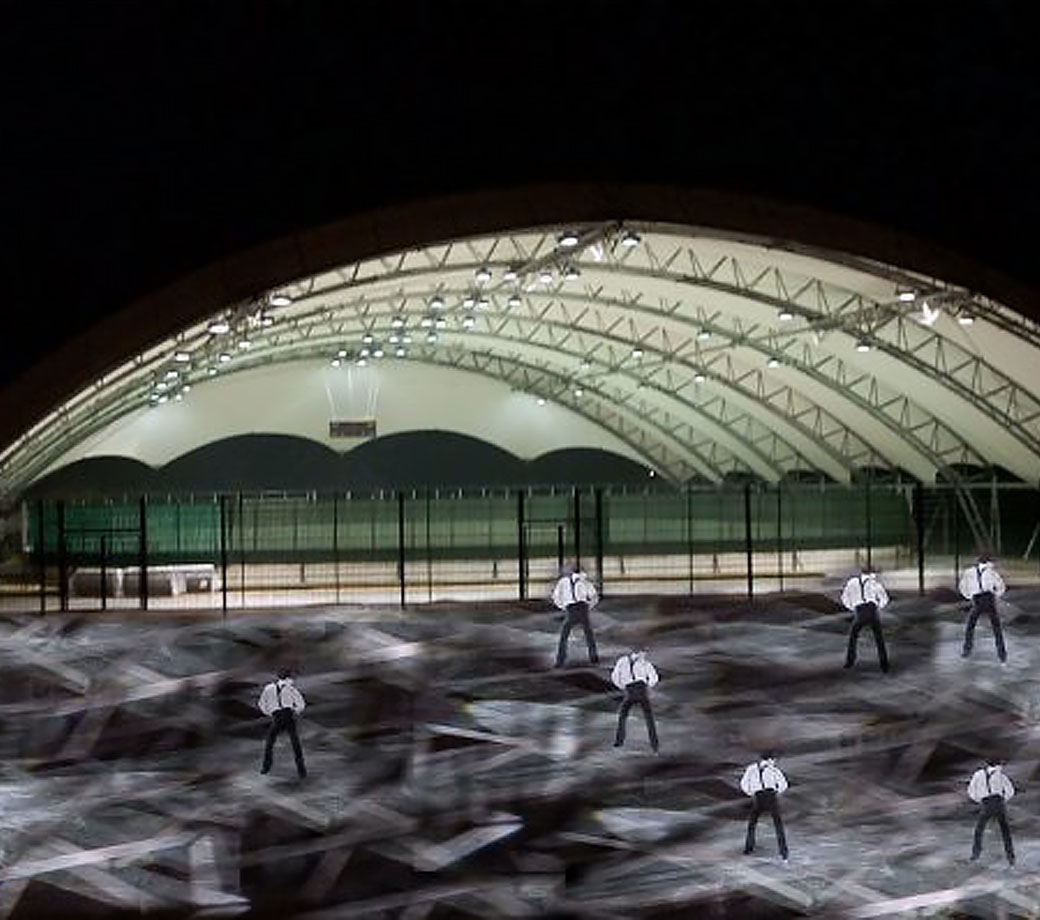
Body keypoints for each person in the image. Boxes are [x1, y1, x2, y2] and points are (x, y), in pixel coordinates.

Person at [258, 667, 308, 778]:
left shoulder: (269, 688)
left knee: (270, 743)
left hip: (277, 716)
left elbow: (261, 704)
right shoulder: (291, 689)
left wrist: (270, 713)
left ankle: (266, 767)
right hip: (288, 716)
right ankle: (301, 770)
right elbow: (301, 704)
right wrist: (295, 711)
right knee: (296, 744)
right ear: (289, 677)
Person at [740, 752, 790, 861]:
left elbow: (744, 783)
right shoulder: (773, 770)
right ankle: (784, 852)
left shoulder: (751, 769)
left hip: (759, 797)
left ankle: (748, 848)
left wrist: (751, 792)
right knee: (778, 825)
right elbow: (784, 784)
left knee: (752, 823)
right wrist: (777, 791)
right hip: (770, 796)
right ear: (770, 760)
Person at [841, 566, 891, 672]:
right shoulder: (875, 584)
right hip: (872, 610)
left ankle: (850, 661)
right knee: (879, 639)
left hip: (859, 611)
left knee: (853, 637)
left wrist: (852, 607)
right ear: (871, 574)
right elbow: (885, 599)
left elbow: (844, 598)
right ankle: (884, 664)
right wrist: (878, 606)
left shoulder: (852, 582)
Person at [960, 554, 1008, 662]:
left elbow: (962, 586)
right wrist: (996, 594)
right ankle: (1002, 654)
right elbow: (1001, 586)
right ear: (988, 562)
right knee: (996, 628)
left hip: (978, 599)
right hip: (988, 598)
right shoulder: (991, 572)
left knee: (970, 626)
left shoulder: (969, 572)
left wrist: (969, 596)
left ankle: (967, 650)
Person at [611, 647, 660, 752]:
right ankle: (654, 745)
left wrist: (622, 686)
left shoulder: (622, 660)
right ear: (640, 653)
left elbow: (615, 676)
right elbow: (654, 678)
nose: (645, 655)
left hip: (629, 690)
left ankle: (619, 742)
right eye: (644, 653)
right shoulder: (645, 663)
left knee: (623, 716)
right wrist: (647, 685)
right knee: (649, 718)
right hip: (641, 689)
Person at [968, 758, 1015, 865]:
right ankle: (1010, 856)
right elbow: (1010, 791)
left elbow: (971, 790)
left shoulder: (978, 775)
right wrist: (1003, 799)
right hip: (998, 803)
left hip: (986, 803)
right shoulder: (1001, 776)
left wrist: (979, 800)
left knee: (979, 830)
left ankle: (975, 854)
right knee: (1005, 831)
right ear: (998, 765)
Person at [552, 564, 600, 667]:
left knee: (564, 635)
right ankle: (594, 657)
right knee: (589, 635)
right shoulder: (585, 582)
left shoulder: (563, 582)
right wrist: (588, 606)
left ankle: (560, 660)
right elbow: (594, 597)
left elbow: (556, 597)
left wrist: (564, 606)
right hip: (582, 608)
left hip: (571, 609)